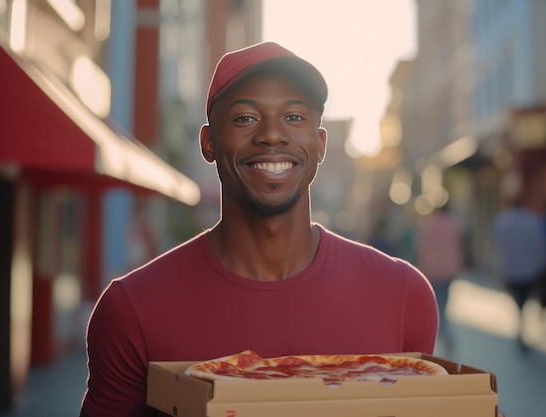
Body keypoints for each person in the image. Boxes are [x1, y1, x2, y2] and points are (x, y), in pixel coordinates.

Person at [78, 42, 439, 417]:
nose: (272, 134)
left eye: (294, 117)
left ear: (320, 144)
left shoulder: (402, 295)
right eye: (245, 118)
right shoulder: (131, 309)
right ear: (209, 143)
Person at [492, 196, 546, 354]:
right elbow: (542, 246)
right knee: (524, 301)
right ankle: (522, 326)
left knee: (519, 302)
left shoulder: (502, 222)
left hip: (512, 271)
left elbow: (498, 249)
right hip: (530, 270)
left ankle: (521, 326)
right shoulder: (534, 221)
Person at [416, 204, 464, 351]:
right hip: (449, 270)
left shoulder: (430, 226)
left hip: (433, 270)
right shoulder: (453, 226)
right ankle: (445, 331)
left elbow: (424, 249)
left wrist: (422, 267)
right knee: (444, 303)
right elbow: (459, 247)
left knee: (437, 305)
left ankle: (443, 331)